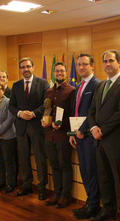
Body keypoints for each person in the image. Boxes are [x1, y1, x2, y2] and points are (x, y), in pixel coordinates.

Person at [88, 49, 120, 221]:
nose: (108, 64)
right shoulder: (100, 85)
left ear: (119, 63)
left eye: (111, 61)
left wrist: (103, 130)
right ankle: (108, 209)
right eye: (105, 61)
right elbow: (92, 110)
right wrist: (93, 128)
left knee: (119, 180)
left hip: (115, 141)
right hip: (98, 140)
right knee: (104, 178)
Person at [9, 57, 49, 200]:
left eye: (28, 66)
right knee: (24, 158)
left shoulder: (43, 83)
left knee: (39, 158)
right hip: (21, 127)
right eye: (23, 67)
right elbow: (11, 105)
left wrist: (33, 113)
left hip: (36, 126)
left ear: (33, 67)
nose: (25, 69)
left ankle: (42, 187)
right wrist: (20, 113)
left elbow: (46, 104)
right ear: (20, 69)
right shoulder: (16, 85)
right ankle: (26, 185)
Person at [69, 54, 100, 219]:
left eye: (85, 64)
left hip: (89, 136)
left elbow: (93, 112)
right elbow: (76, 112)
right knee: (84, 171)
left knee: (91, 171)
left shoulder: (97, 85)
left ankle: (93, 205)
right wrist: (73, 132)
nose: (81, 67)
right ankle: (89, 202)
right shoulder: (79, 85)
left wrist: (82, 129)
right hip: (78, 136)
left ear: (92, 66)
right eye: (79, 65)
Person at [43, 62, 75, 208]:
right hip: (50, 135)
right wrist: (44, 120)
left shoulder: (71, 90)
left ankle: (65, 195)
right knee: (54, 165)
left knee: (64, 165)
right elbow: (46, 111)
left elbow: (74, 113)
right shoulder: (49, 91)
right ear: (53, 74)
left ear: (66, 73)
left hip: (63, 135)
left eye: (62, 71)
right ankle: (56, 193)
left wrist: (65, 126)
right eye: (57, 71)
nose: (59, 73)